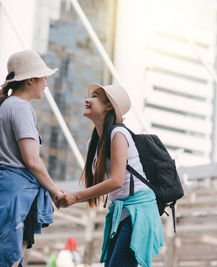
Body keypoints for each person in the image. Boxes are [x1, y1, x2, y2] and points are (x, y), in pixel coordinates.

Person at [0, 50, 63, 267]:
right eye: (43, 79)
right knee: (10, 260)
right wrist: (55, 191)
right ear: (31, 80)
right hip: (19, 195)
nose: (45, 84)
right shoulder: (21, 107)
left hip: (1, 191)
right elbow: (31, 160)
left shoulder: (5, 106)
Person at [59, 84, 164, 267]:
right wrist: (65, 194)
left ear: (109, 106)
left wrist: (75, 196)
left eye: (95, 96)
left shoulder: (119, 133)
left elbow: (115, 181)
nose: (87, 99)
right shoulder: (94, 143)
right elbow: (99, 188)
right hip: (121, 212)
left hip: (138, 212)